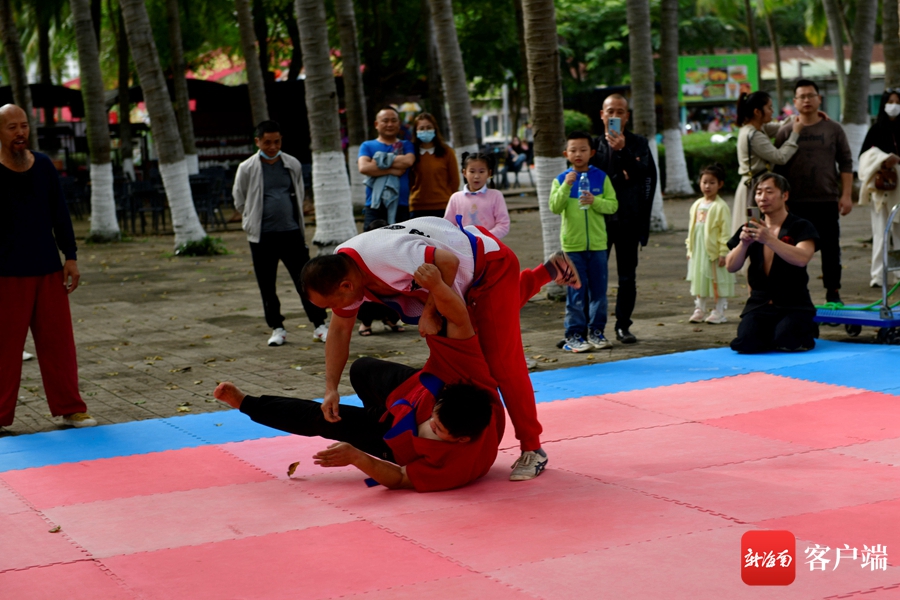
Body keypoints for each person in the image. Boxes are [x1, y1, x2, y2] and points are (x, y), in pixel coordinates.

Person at [217, 257, 570, 491]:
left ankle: (247, 403)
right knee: (362, 369)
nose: (431, 426)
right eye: (435, 419)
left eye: (439, 431)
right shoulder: (471, 377)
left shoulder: (456, 466)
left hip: (392, 439)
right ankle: (379, 412)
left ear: (460, 441)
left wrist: (358, 456)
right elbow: (462, 318)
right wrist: (438, 288)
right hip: (413, 394)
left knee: (325, 419)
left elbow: (400, 479)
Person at [300, 217, 580, 481]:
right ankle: (547, 271)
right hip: (464, 270)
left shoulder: (386, 256)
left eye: (330, 305)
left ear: (346, 285)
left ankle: (533, 448)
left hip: (490, 267)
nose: (333, 311)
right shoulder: (341, 268)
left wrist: (430, 311)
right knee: (491, 318)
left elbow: (447, 262)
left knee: (501, 362)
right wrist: (331, 388)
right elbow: (339, 331)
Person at [0, 104, 96, 429]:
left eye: (24, 126)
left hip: (48, 271)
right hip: (6, 276)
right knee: (4, 351)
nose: (20, 132)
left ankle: (71, 408)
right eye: (12, 127)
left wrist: (71, 256)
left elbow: (60, 213)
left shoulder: (42, 165)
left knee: (59, 346)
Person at [232, 120, 329, 347]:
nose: (273, 147)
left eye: (277, 142)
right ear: (257, 141)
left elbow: (299, 192)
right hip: (262, 236)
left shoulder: (291, 164)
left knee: (305, 280)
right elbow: (239, 199)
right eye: (267, 142)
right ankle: (277, 328)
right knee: (267, 285)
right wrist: (251, 219)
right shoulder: (246, 168)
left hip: (291, 232)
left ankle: (319, 325)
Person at [775, 79, 853, 305]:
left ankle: (833, 294)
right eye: (802, 96)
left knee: (831, 250)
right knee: (792, 250)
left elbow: (846, 163)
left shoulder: (833, 129)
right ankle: (797, 297)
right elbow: (778, 169)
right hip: (795, 203)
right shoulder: (786, 131)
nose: (807, 100)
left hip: (826, 200)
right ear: (795, 101)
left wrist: (846, 195)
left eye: (811, 95)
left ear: (819, 99)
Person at [589, 93, 657, 344]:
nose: (614, 116)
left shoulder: (638, 143)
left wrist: (624, 152)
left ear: (627, 116)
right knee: (595, 275)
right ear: (602, 115)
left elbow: (644, 174)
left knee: (627, 277)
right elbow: (592, 177)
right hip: (599, 221)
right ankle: (592, 327)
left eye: (620, 112)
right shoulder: (593, 146)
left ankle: (623, 326)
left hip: (629, 220)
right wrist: (623, 176)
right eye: (610, 111)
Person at [725, 173, 819, 353]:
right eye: (759, 192)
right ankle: (770, 335)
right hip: (760, 304)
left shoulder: (801, 226)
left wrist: (769, 239)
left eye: (769, 192)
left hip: (793, 304)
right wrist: (743, 244)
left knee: (786, 340)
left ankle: (801, 330)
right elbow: (730, 266)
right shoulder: (751, 227)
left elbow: (802, 258)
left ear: (785, 195)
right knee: (745, 343)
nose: (762, 197)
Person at [550, 131, 618, 352]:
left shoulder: (601, 177)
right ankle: (574, 336)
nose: (578, 154)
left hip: (598, 246)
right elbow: (554, 207)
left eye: (583, 150)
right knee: (576, 294)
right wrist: (566, 186)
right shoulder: (561, 179)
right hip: (572, 247)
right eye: (573, 150)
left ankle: (597, 333)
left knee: (599, 293)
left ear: (592, 152)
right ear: (566, 154)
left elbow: (613, 205)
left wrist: (595, 201)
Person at [731, 91, 802, 239]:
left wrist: (802, 116)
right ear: (757, 112)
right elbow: (780, 157)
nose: (772, 111)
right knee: (753, 229)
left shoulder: (756, 129)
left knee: (757, 228)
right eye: (769, 107)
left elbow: (781, 126)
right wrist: (795, 134)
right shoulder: (754, 135)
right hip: (753, 189)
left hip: (754, 185)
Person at [858, 90, 900, 288]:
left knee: (899, 232)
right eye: (890, 101)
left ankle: (898, 272)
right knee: (881, 232)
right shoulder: (876, 129)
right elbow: (864, 157)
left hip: (899, 190)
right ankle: (877, 276)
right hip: (881, 190)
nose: (894, 105)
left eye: (897, 102)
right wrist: (883, 160)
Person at [686, 163, 735, 324]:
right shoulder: (696, 204)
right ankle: (699, 308)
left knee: (717, 280)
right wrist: (689, 249)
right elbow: (691, 229)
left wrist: (723, 252)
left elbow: (725, 231)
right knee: (700, 278)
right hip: (699, 250)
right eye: (704, 182)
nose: (707, 186)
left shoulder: (721, 207)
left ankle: (719, 310)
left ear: (720, 184)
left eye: (712, 182)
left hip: (714, 252)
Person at [358, 107, 416, 228]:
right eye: (385, 121)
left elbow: (408, 161)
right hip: (374, 206)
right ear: (376, 124)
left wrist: (378, 163)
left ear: (399, 124)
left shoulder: (406, 145)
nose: (390, 124)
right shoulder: (367, 145)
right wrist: (392, 170)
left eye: (393, 120)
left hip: (401, 205)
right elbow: (364, 167)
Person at [444, 152, 510, 239]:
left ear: (489, 173)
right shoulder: (456, 198)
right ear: (464, 173)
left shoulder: (496, 196)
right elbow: (447, 225)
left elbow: (503, 224)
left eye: (481, 172)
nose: (476, 176)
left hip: (489, 244)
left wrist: (484, 238)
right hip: (463, 244)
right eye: (472, 171)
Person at [357, 219, 405, 336]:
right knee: (367, 297)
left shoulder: (394, 248)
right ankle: (366, 323)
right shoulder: (362, 249)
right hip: (370, 287)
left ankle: (390, 320)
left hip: (389, 284)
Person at [409, 113, 459, 218]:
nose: (425, 131)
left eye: (429, 127)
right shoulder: (411, 153)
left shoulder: (447, 152)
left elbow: (455, 180)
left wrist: (447, 197)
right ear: (415, 131)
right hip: (417, 207)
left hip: (443, 207)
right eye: (421, 128)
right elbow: (409, 180)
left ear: (435, 129)